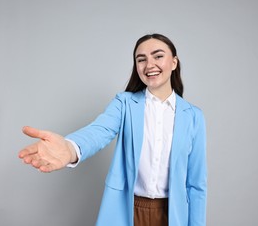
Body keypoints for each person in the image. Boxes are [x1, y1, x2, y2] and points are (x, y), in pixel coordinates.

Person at [19, 33, 207, 226]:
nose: (149, 64)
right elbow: (99, 131)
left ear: (174, 62)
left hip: (173, 215)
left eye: (158, 56)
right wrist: (70, 148)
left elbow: (196, 184)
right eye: (141, 59)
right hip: (128, 210)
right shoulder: (124, 103)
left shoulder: (193, 116)